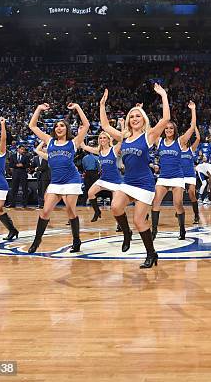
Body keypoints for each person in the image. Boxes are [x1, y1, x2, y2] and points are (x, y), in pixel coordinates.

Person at [100, 85, 170, 269]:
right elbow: (105, 126)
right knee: (115, 207)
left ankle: (151, 254)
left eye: (138, 115)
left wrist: (163, 95)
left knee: (140, 221)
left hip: (145, 183)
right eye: (131, 116)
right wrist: (102, 104)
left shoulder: (149, 136)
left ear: (143, 119)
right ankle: (126, 234)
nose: (134, 118)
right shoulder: (124, 137)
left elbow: (166, 119)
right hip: (128, 182)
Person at [27, 102, 90, 253]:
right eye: (57, 126)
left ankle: (76, 241)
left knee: (70, 210)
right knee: (45, 211)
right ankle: (37, 240)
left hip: (71, 180)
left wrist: (77, 108)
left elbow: (86, 125)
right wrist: (39, 109)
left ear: (67, 129)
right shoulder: (49, 142)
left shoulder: (73, 143)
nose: (59, 128)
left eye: (62, 126)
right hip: (56, 182)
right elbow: (32, 126)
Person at [151, 100, 196, 241]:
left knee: (178, 204)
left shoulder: (180, 141)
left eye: (171, 128)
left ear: (174, 130)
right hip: (163, 177)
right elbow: (148, 130)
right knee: (155, 202)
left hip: (177, 177)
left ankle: (182, 229)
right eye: (167, 128)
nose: (168, 130)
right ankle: (154, 231)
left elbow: (192, 127)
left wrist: (193, 110)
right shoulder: (159, 141)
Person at [80, 123, 124, 222]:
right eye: (100, 138)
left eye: (104, 138)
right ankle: (97, 211)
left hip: (115, 180)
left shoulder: (114, 149)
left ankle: (119, 224)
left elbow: (122, 139)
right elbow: (83, 145)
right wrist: (81, 132)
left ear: (109, 140)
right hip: (103, 179)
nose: (102, 140)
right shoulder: (98, 151)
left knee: (115, 206)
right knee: (90, 193)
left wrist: (122, 124)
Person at [180, 125, 201, 224]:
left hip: (190, 175)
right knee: (178, 197)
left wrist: (195, 127)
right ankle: (179, 211)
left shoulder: (191, 149)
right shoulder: (177, 150)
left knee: (192, 194)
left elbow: (198, 138)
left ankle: (196, 215)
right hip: (180, 175)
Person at [81, 143, 100, 209]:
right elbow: (98, 166)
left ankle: (83, 203)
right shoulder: (96, 157)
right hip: (94, 173)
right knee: (95, 188)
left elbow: (83, 166)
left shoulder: (84, 158)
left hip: (87, 173)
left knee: (86, 188)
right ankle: (94, 203)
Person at [32, 142, 51, 208]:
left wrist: (37, 169)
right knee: (39, 190)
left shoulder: (47, 157)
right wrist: (35, 168)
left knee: (44, 191)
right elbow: (33, 166)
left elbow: (44, 167)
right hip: (38, 176)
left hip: (45, 176)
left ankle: (46, 204)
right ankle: (40, 204)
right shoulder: (36, 158)